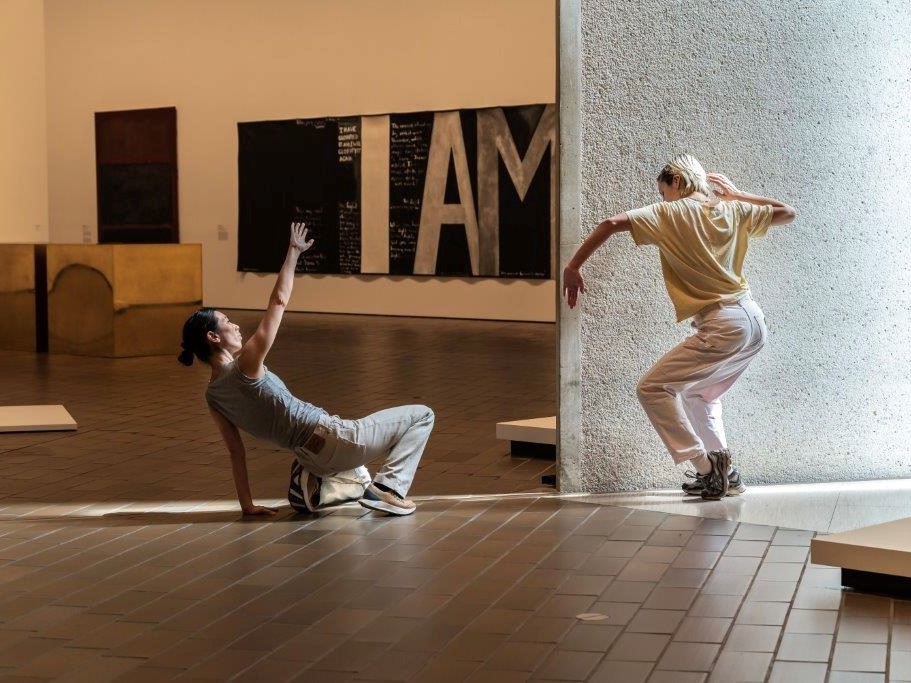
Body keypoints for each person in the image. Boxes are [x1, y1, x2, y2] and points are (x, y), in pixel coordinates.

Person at [562, 154, 796, 500]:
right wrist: (738, 194)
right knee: (699, 395)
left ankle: (707, 469)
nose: (662, 199)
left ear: (677, 182)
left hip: (723, 324)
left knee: (652, 389)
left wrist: (573, 266)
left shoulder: (669, 213)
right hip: (753, 321)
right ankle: (726, 474)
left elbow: (611, 223)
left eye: (663, 191)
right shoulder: (732, 209)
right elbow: (787, 212)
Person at [178, 222, 434, 516]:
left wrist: (246, 505)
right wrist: (294, 252)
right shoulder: (245, 364)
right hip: (333, 438)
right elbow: (279, 301)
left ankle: (312, 486)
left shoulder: (213, 395)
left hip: (309, 456)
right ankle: (389, 489)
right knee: (422, 415)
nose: (235, 325)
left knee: (358, 470)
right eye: (226, 322)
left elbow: (236, 452)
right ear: (213, 337)